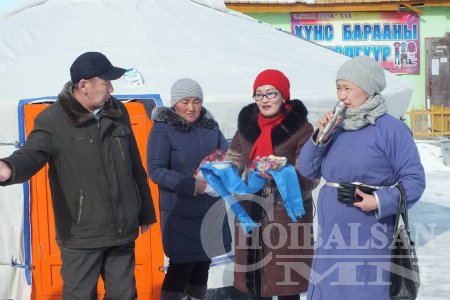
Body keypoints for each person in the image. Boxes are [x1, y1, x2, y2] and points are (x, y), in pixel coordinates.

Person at [0, 52, 156, 300]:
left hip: (122, 230)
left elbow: (135, 165)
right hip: (82, 234)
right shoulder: (53, 120)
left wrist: (145, 211)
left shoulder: (118, 112)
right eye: (106, 83)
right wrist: (8, 168)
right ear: (83, 85)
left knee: (125, 296)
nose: (111, 89)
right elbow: (32, 153)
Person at [298, 55, 426, 299]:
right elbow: (308, 169)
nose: (341, 96)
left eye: (348, 88)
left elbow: (414, 181)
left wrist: (378, 201)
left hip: (369, 232)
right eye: (338, 88)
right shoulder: (336, 127)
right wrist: (320, 138)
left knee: (362, 289)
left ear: (368, 90)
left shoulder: (392, 129)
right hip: (330, 235)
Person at [224, 69, 317, 300]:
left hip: (286, 215)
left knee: (287, 286)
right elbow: (233, 160)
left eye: (271, 93)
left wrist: (279, 172)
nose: (265, 100)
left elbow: (311, 173)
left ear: (283, 95)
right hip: (250, 212)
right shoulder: (245, 128)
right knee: (255, 286)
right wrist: (219, 170)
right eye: (259, 94)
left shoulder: (302, 129)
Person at [147, 78, 232, 300]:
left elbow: (229, 155)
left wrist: (231, 169)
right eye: (185, 101)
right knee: (181, 267)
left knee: (203, 265)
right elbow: (155, 170)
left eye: (196, 101)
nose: (191, 107)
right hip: (180, 210)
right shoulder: (163, 130)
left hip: (210, 210)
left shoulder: (210, 127)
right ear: (175, 103)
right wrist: (193, 185)